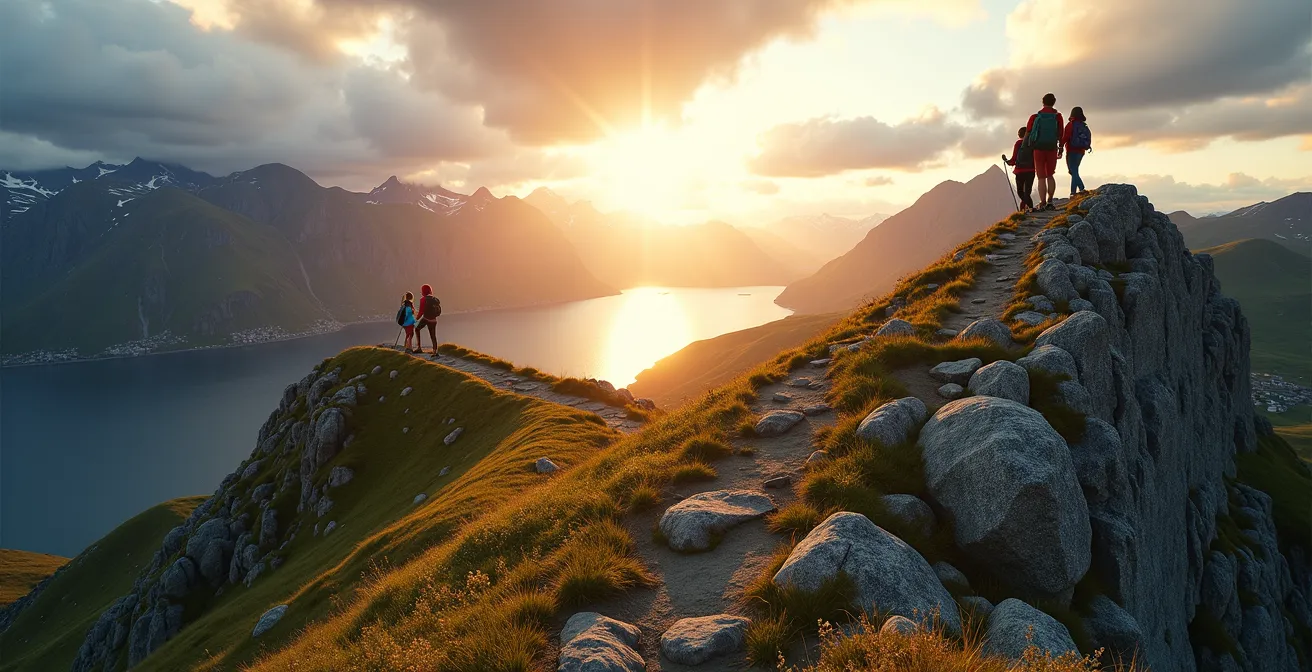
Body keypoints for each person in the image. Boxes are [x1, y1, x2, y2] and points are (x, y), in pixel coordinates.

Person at [1025, 93, 1064, 210]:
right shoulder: (1058, 117)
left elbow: (1028, 132)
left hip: (1038, 148)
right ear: (1054, 102)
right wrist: (1060, 147)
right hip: (1052, 147)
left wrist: (1025, 148)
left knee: (1041, 177)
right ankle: (1050, 201)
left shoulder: (1035, 117)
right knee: (1050, 175)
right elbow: (1060, 133)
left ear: (1043, 102)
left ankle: (1042, 203)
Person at [1003, 126, 1035, 211]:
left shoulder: (1018, 143)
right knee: (1027, 192)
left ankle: (1030, 208)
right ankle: (1030, 208)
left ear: (1020, 134)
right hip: (1031, 171)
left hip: (1020, 171)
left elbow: (1013, 160)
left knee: (1020, 192)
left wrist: (1006, 161)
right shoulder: (1033, 143)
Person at [1062, 106, 1091, 196]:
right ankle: (1073, 192)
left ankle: (1081, 188)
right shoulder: (1083, 125)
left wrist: (1060, 146)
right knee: (1075, 171)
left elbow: (1065, 136)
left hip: (1071, 150)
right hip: (1081, 151)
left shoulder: (1071, 124)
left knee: (1073, 170)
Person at [414, 284, 442, 355]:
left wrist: (415, 319)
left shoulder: (423, 299)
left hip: (426, 318)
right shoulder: (434, 299)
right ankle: (435, 351)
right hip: (434, 320)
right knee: (433, 336)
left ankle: (419, 347)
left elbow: (421, 312)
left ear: (423, 291)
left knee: (417, 329)